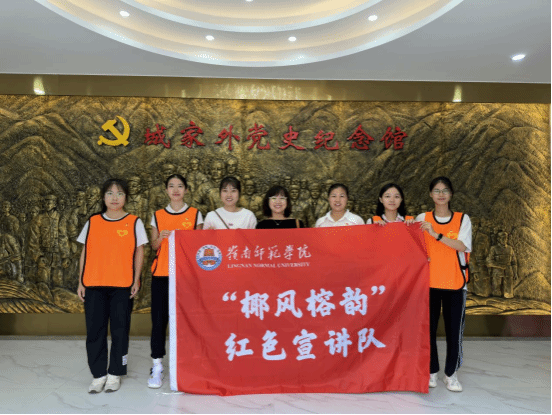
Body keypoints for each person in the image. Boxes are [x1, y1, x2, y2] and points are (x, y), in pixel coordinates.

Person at [76, 179, 148, 394]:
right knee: (94, 331)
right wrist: (81, 281)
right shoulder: (93, 221)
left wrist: (136, 279)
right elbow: (85, 252)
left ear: (126, 197)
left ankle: (115, 372)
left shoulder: (134, 222)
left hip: (122, 286)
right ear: (103, 197)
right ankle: (98, 375)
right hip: (94, 284)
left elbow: (140, 251)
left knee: (120, 330)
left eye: (119, 193)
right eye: (109, 193)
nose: (114, 198)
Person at [147, 174, 203, 389]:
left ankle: (187, 365)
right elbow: (153, 245)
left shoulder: (195, 214)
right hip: (162, 274)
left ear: (186, 190)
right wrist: (160, 237)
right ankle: (157, 365)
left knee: (187, 321)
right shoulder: (158, 215)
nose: (176, 190)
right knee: (159, 320)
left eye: (180, 186)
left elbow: (199, 247)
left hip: (186, 276)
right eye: (171, 186)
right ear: (166, 190)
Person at [417, 177, 471, 393]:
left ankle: (451, 374)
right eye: (437, 190)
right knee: (427, 331)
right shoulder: (422, 218)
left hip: (455, 283)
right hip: (428, 283)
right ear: (430, 194)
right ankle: (431, 371)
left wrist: (436, 234)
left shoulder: (462, 219)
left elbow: (462, 245)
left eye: (445, 190)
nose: (441, 194)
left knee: (453, 332)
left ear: (451, 194)